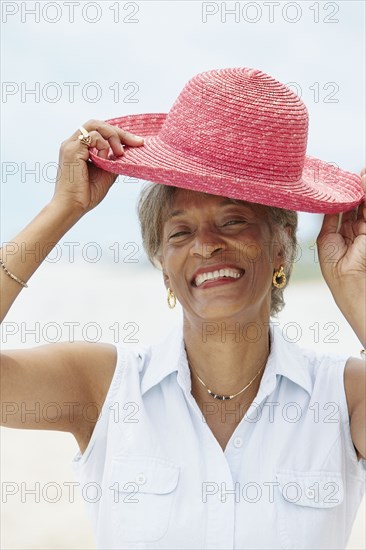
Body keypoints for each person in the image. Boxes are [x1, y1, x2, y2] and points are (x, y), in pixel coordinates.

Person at [1, 68, 365, 549]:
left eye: (234, 221)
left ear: (281, 248)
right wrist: (64, 208)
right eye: (179, 232)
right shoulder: (103, 386)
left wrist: (354, 291)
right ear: (162, 263)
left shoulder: (344, 394)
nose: (206, 246)